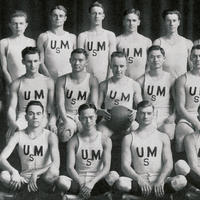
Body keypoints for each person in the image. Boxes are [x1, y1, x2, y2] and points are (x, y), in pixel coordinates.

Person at [116, 100, 187, 199]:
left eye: (149, 113)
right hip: (140, 179)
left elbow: (168, 162)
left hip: (159, 178)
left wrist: (160, 180)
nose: (145, 117)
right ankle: (157, 197)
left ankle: (140, 198)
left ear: (153, 115)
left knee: (181, 180)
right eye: (142, 113)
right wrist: (139, 179)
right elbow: (125, 165)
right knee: (121, 182)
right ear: (137, 114)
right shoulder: (129, 138)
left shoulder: (163, 137)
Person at [56, 103, 119, 199]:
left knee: (114, 175)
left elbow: (106, 168)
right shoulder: (73, 141)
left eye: (91, 117)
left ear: (96, 117)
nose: (88, 121)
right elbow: (70, 168)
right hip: (79, 181)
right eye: (84, 118)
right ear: (79, 119)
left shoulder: (105, 140)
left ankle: (78, 198)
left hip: (97, 181)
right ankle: (96, 196)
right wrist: (81, 183)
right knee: (61, 180)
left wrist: (91, 183)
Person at [0, 100, 60, 194]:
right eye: (31, 114)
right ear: (26, 117)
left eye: (38, 113)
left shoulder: (50, 136)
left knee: (54, 172)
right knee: (4, 175)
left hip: (42, 178)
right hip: (24, 179)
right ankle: (34, 191)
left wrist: (36, 173)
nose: (35, 117)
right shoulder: (18, 135)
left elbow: (56, 162)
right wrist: (14, 171)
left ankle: (28, 192)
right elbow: (1, 158)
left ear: (43, 116)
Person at [7, 47, 56, 142]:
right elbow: (12, 108)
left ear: (40, 61)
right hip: (24, 117)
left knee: (46, 138)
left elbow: (53, 107)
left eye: (35, 61)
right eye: (29, 61)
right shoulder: (16, 83)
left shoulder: (48, 82)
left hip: (42, 117)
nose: (33, 65)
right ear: (23, 62)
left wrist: (52, 122)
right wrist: (13, 123)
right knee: (10, 137)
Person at [56, 48, 99, 143]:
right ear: (70, 60)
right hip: (67, 115)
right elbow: (60, 104)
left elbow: (93, 104)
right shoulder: (61, 80)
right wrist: (66, 121)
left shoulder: (92, 80)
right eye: (74, 59)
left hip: (84, 115)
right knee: (65, 135)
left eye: (80, 60)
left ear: (86, 62)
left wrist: (90, 122)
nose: (77, 63)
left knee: (90, 136)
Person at [97, 51, 142, 137]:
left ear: (126, 67)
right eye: (115, 66)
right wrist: (101, 112)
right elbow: (96, 108)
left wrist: (136, 112)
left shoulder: (134, 85)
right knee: (100, 134)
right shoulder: (103, 85)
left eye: (121, 66)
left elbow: (141, 107)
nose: (118, 70)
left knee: (137, 129)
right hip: (108, 121)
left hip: (128, 121)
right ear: (110, 66)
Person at [137, 45, 175, 140]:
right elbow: (139, 104)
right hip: (148, 114)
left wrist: (173, 116)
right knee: (146, 136)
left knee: (168, 131)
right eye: (152, 57)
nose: (155, 60)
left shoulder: (171, 79)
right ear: (148, 59)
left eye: (158, 56)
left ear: (163, 59)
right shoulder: (141, 80)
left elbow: (177, 102)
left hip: (165, 115)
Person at [78, 1, 116, 83]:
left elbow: (112, 60)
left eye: (99, 13)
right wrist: (84, 80)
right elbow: (80, 60)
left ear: (103, 16)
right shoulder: (83, 36)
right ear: (89, 15)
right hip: (87, 78)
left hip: (105, 78)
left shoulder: (110, 35)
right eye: (94, 13)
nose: (96, 16)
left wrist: (109, 80)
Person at [37, 5, 76, 81]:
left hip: (68, 79)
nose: (58, 18)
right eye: (55, 15)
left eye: (61, 16)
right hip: (49, 79)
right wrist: (49, 78)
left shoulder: (72, 37)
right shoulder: (44, 36)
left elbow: (76, 60)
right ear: (51, 17)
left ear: (65, 18)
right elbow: (40, 62)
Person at [175, 45, 200, 156]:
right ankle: (183, 167)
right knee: (183, 129)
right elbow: (180, 107)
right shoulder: (183, 79)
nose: (198, 59)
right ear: (190, 58)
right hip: (189, 116)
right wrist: (196, 122)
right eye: (194, 56)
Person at [0, 10, 35, 89]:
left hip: (30, 84)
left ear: (26, 25)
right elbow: (4, 68)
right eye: (15, 23)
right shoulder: (4, 43)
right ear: (10, 25)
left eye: (21, 23)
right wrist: (12, 86)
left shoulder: (32, 42)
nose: (18, 26)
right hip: (12, 84)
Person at [153, 9, 193, 78]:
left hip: (181, 84)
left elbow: (193, 68)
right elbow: (153, 67)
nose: (171, 24)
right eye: (168, 21)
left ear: (179, 22)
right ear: (164, 22)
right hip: (164, 84)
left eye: (174, 21)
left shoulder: (187, 43)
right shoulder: (158, 42)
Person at [117, 8, 152, 80]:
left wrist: (144, 81)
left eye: (134, 20)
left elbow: (149, 66)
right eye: (128, 20)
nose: (131, 23)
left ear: (138, 22)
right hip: (122, 82)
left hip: (141, 82)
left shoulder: (146, 41)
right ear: (123, 22)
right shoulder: (117, 40)